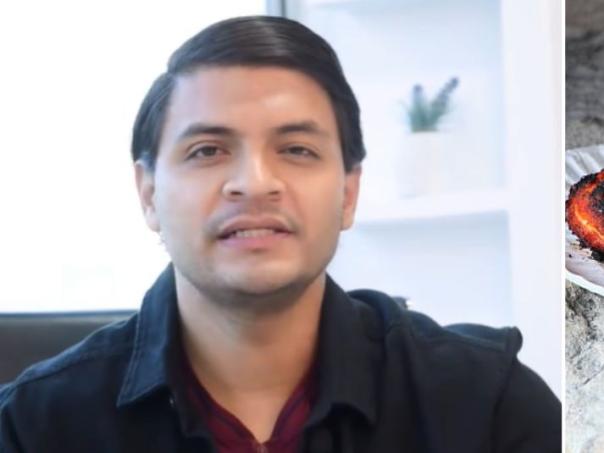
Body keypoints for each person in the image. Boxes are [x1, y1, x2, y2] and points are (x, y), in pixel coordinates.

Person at [0, 15, 560, 452]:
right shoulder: (33, 426)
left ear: (348, 193)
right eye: (208, 151)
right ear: (149, 194)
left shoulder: (488, 404)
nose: (254, 183)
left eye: (296, 149)